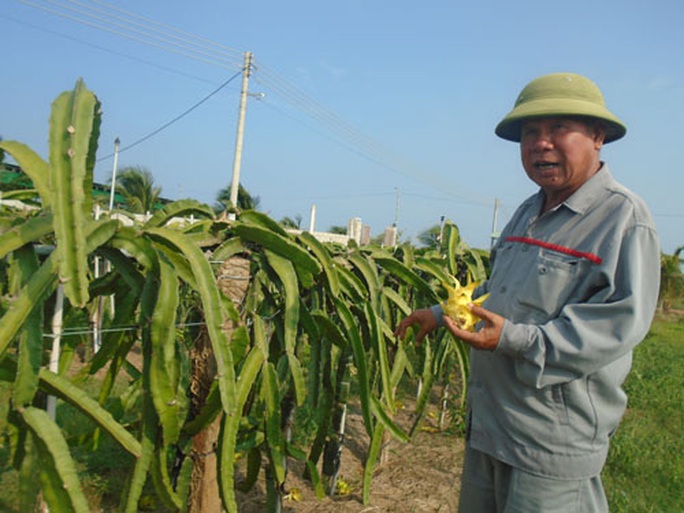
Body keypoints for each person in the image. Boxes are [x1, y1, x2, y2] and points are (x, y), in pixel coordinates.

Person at [394, 72, 660, 512]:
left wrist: (511, 339)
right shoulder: (528, 211)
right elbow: (500, 289)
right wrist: (441, 313)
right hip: (492, 428)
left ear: (598, 136)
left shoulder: (623, 219)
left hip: (550, 443)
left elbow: (615, 326)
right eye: (530, 133)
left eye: (558, 128)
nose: (541, 143)